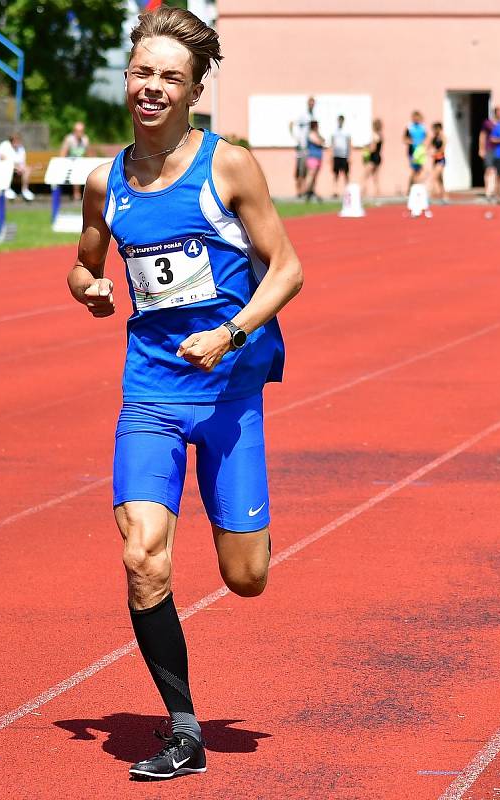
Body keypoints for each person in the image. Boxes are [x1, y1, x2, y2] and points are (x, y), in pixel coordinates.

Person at [66, 6, 302, 782]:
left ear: (196, 88)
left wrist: (230, 334)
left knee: (247, 579)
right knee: (142, 559)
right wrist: (91, 287)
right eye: (142, 72)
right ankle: (182, 728)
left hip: (230, 395)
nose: (153, 87)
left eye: (170, 75)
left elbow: (288, 269)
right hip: (151, 394)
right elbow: (81, 262)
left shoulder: (227, 166)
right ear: (126, 81)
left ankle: (238, 520)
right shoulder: (107, 181)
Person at [289, 96, 316, 198]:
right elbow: (291, 123)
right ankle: (299, 191)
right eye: (310, 103)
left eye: (313, 103)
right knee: (300, 169)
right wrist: (295, 137)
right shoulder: (303, 115)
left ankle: (305, 190)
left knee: (306, 170)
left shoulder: (313, 115)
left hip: (309, 147)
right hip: (302, 146)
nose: (312, 105)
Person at [60, 121, 90, 200]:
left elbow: (88, 154)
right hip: (70, 164)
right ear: (74, 131)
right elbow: (62, 155)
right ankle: (77, 193)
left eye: (81, 131)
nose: (80, 133)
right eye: (78, 131)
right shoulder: (69, 139)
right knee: (77, 169)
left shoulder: (85, 139)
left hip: (82, 163)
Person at [479, 107, 500, 201]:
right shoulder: (488, 123)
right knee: (489, 169)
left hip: (499, 151)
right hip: (489, 149)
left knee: (496, 171)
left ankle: (492, 191)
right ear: (495, 113)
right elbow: (482, 135)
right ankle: (488, 191)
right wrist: (481, 149)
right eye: (499, 112)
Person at [403, 110, 427, 191]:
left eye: (418, 117)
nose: (416, 119)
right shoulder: (409, 127)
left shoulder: (423, 127)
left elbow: (426, 138)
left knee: (419, 171)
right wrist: (411, 142)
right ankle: (410, 189)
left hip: (420, 152)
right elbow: (404, 139)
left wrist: (424, 146)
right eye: (415, 117)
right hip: (412, 152)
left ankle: (416, 189)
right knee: (413, 171)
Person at [304, 119, 325, 202]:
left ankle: (311, 192)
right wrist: (320, 140)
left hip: (318, 157)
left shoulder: (316, 134)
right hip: (312, 157)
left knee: (315, 176)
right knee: (311, 175)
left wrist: (319, 136)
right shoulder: (310, 134)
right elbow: (319, 142)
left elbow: (323, 140)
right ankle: (306, 192)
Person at [330, 114, 351, 198]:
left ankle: (347, 191)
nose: (340, 122)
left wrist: (349, 156)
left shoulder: (346, 131)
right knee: (336, 174)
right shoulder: (334, 131)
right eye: (339, 120)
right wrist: (331, 155)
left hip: (344, 155)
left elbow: (349, 143)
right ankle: (335, 191)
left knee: (346, 174)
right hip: (336, 155)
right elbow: (332, 143)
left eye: (341, 120)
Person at [362, 118, 383, 199]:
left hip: (373, 157)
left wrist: (366, 148)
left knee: (366, 175)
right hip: (378, 157)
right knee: (375, 176)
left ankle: (364, 191)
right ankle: (377, 191)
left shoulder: (375, 136)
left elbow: (373, 148)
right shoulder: (381, 135)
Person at [428, 121, 447, 203]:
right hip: (435, 159)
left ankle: (430, 194)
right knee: (440, 179)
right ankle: (444, 195)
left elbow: (443, 149)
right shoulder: (433, 138)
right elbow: (429, 146)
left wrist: (435, 153)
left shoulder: (443, 137)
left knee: (434, 176)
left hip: (441, 159)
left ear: (439, 128)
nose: (434, 130)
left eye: (435, 129)